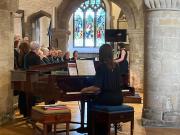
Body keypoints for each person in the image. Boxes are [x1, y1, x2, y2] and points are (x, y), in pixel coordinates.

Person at [81, 44, 123, 135]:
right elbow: (120, 83)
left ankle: (94, 131)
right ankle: (102, 129)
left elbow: (97, 87)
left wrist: (85, 89)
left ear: (101, 54)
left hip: (107, 99)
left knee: (91, 104)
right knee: (95, 100)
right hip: (119, 98)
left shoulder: (101, 67)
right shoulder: (117, 66)